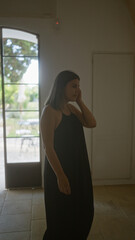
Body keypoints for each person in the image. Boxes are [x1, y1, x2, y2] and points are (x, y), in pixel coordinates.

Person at [40, 70, 96, 240]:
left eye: (78, 86)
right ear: (61, 86)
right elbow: (48, 148)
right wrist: (61, 176)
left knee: (84, 212)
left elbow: (92, 123)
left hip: (78, 169)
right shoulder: (50, 111)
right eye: (73, 86)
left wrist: (80, 101)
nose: (77, 90)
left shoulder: (71, 108)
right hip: (60, 171)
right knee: (62, 219)